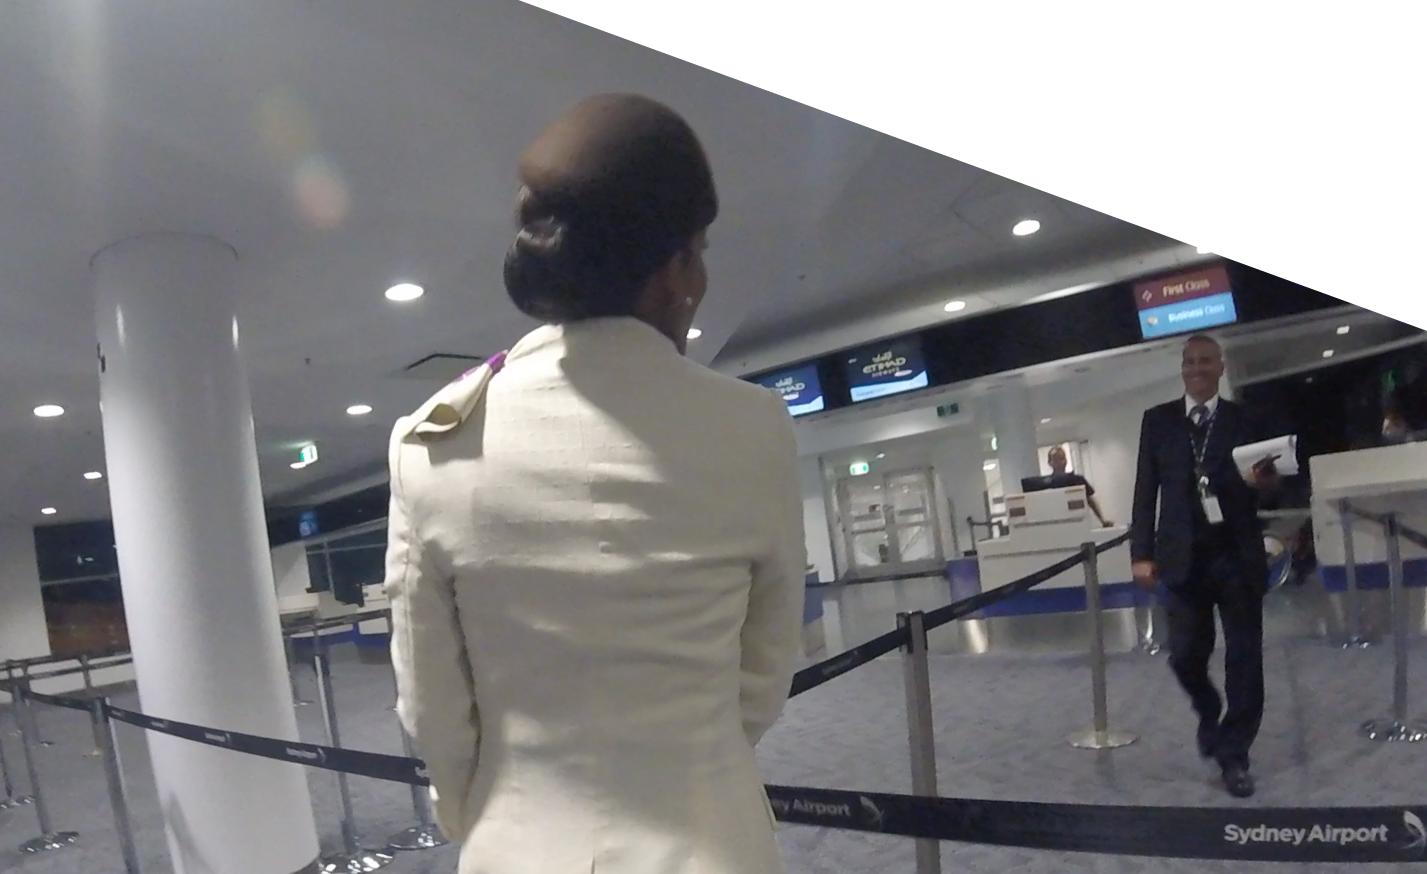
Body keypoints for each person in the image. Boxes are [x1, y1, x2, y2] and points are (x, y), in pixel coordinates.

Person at [383, 94, 806, 873]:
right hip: (711, 838)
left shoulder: (433, 442)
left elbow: (430, 706)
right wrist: (696, 760)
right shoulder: (753, 427)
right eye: (698, 249)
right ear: (677, 269)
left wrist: (489, 814)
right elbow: (765, 667)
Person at [1130, 334, 1279, 798]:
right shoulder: (1157, 422)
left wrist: (1266, 483)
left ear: (1220, 366)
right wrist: (1141, 552)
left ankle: (1234, 754)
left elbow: (1270, 486)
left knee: (1244, 660)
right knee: (1185, 655)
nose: (1196, 368)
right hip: (1179, 557)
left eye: (1205, 361)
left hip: (1236, 555)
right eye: (1189, 362)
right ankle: (1209, 706)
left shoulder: (1245, 418)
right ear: (1182, 368)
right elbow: (1144, 490)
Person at [1042, 445, 1110, 526]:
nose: (1061, 462)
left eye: (1062, 458)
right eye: (1056, 460)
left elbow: (1091, 501)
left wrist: (1102, 520)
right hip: (1056, 525)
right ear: (1050, 463)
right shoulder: (1046, 484)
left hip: (1079, 524)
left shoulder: (1078, 480)